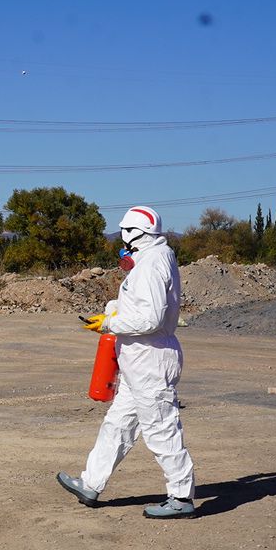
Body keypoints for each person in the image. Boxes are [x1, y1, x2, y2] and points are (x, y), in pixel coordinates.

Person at [57, 206, 196, 518]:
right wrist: (111, 313)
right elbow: (139, 305)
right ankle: (91, 484)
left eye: (124, 231)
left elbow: (149, 318)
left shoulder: (151, 263)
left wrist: (109, 324)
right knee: (118, 425)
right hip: (138, 358)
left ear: (135, 233)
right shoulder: (152, 257)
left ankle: (182, 497)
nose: (121, 237)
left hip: (150, 357)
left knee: (160, 427)